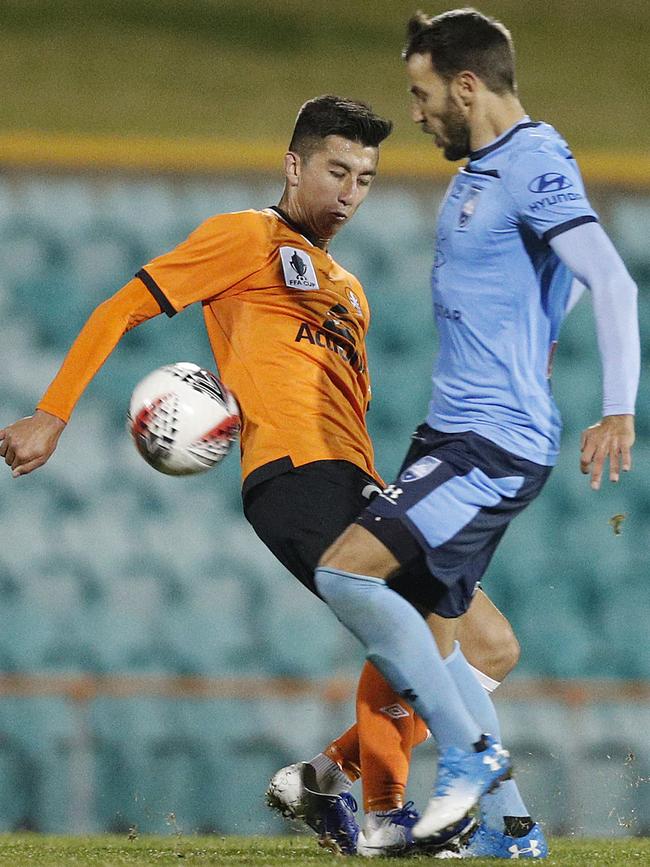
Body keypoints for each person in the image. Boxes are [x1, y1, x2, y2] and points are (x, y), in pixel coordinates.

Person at [2, 94, 525, 857]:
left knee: (490, 647)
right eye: (336, 171)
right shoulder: (246, 237)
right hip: (294, 472)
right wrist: (52, 412)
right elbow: (121, 307)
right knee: (404, 620)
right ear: (294, 165)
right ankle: (386, 812)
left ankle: (322, 777)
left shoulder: (350, 290)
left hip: (355, 477)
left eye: (366, 180)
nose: (349, 194)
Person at [309, 9, 640, 861]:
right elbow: (553, 285)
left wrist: (618, 407)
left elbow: (610, 279)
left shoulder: (531, 164)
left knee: (345, 572)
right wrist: (536, 327)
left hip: (489, 444)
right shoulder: (488, 169)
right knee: (451, 641)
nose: (414, 114)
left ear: (466, 85)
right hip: (449, 434)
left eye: (421, 95)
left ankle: (468, 755)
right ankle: (513, 827)